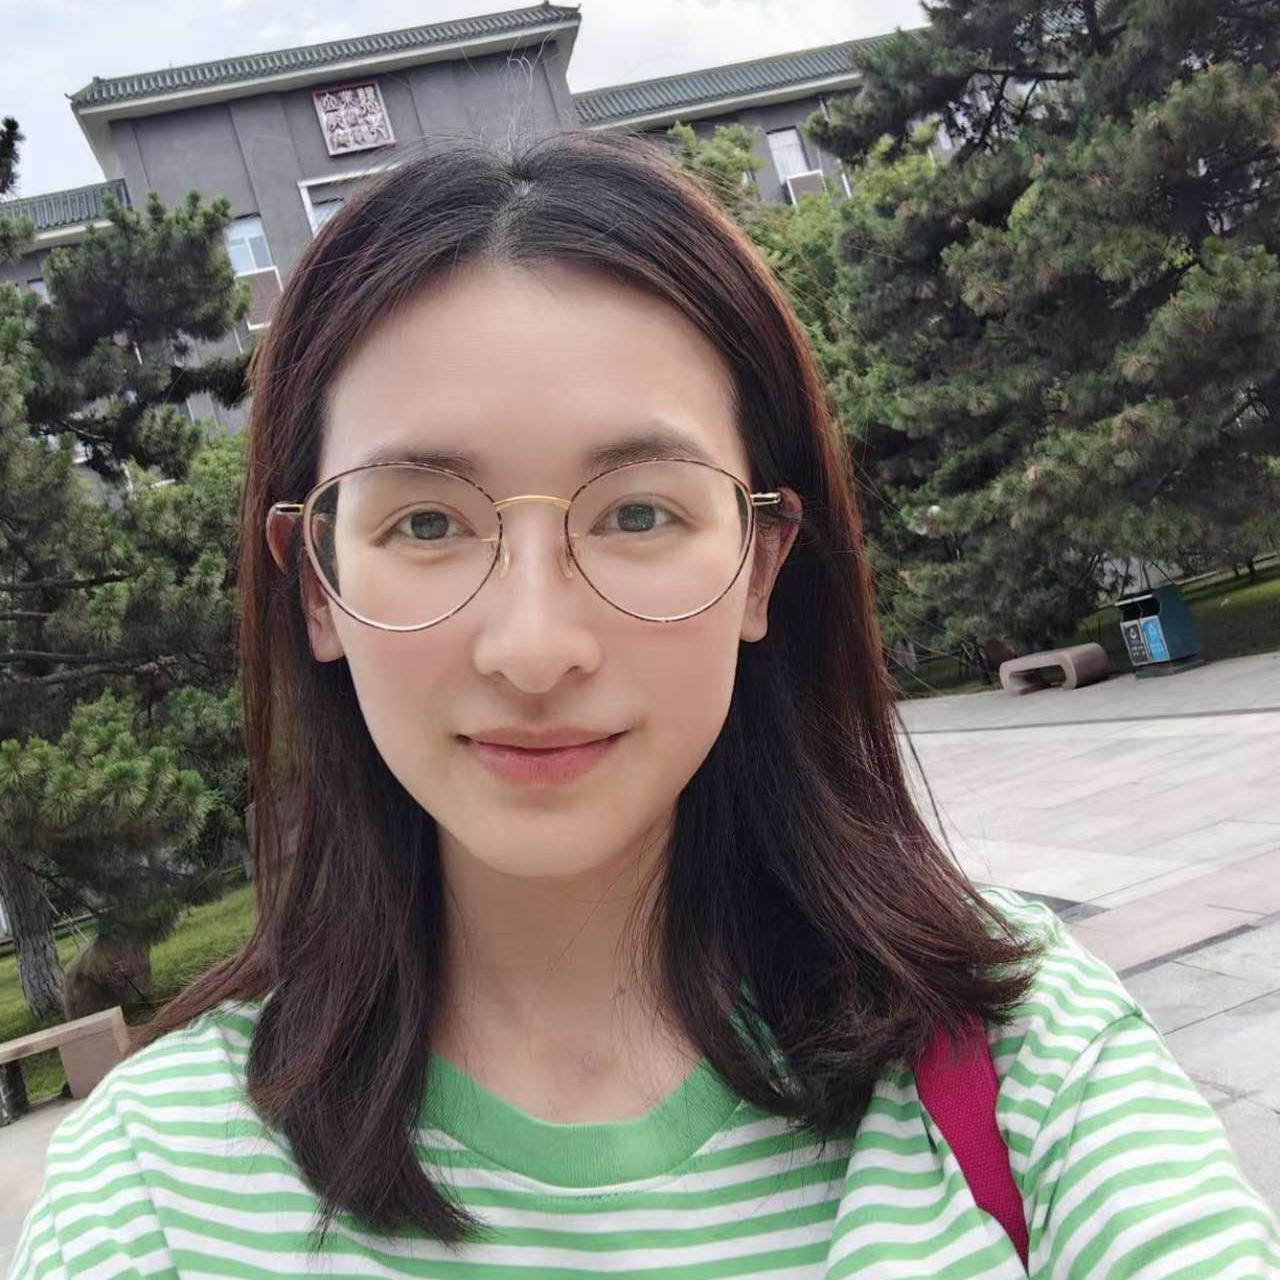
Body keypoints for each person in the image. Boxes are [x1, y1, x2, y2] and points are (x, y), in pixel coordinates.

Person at [9, 130, 1278, 1280]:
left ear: (760, 564)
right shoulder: (156, 1188)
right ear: (318, 587)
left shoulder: (1022, 1053)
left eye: (637, 511)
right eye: (427, 522)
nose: (534, 646)